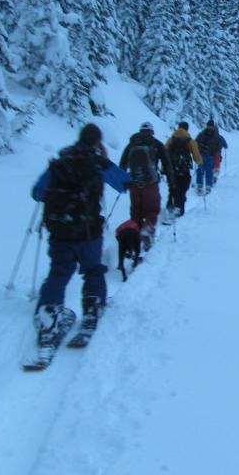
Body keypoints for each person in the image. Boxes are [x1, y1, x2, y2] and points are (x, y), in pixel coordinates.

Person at [30, 123, 131, 343]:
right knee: (93, 270)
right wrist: (103, 158)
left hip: (59, 230)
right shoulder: (97, 162)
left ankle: (49, 315)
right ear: (97, 142)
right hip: (88, 230)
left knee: (58, 272)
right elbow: (124, 183)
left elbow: (38, 193)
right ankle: (92, 309)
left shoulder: (58, 164)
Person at [119, 121, 173, 249]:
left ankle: (134, 237)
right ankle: (147, 232)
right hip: (150, 183)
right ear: (151, 132)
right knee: (152, 209)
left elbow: (122, 164)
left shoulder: (131, 144)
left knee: (135, 211)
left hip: (134, 183)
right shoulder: (157, 144)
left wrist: (123, 182)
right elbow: (167, 163)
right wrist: (171, 180)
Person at [165, 121, 203, 216]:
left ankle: (170, 205)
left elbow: (165, 154)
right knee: (182, 189)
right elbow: (196, 156)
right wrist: (199, 162)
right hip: (184, 169)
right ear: (187, 129)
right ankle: (179, 208)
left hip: (172, 169)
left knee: (173, 188)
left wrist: (163, 168)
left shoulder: (171, 140)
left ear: (178, 128)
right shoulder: (190, 141)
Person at [195, 119, 223, 195]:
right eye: (209, 126)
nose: (210, 128)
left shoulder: (202, 134)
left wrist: (198, 151)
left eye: (211, 126)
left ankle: (201, 186)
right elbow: (219, 145)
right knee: (208, 171)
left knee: (201, 170)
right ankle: (207, 186)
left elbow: (195, 143)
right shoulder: (216, 136)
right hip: (209, 156)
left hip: (205, 155)